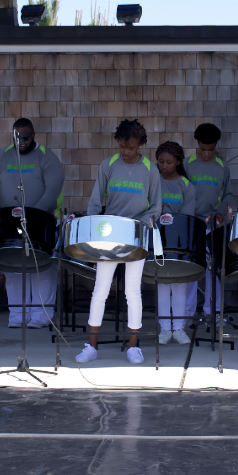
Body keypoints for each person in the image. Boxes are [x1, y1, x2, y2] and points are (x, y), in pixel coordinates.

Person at [75, 119, 161, 365]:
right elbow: (95, 200)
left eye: (131, 147)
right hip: (109, 237)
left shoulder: (150, 170)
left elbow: (155, 207)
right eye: (122, 146)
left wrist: (141, 224)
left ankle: (134, 347)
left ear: (140, 145)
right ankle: (91, 346)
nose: (125, 152)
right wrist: (91, 226)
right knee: (100, 289)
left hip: (136, 236)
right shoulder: (108, 165)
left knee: (132, 291)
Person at [0, 117, 65, 328]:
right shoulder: (2, 156)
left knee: (42, 268)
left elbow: (54, 187)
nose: (21, 142)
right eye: (17, 138)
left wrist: (35, 213)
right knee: (13, 267)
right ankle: (17, 315)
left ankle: (41, 316)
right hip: (9, 220)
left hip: (40, 220)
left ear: (33, 135)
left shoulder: (47, 157)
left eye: (25, 138)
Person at [184, 123, 233, 323]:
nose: (206, 154)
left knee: (212, 269)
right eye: (202, 149)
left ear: (216, 146)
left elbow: (228, 194)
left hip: (214, 225)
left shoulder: (222, 167)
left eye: (210, 150)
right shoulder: (187, 164)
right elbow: (180, 191)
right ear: (197, 145)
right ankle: (187, 313)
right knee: (191, 269)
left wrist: (221, 213)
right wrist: (189, 211)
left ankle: (212, 312)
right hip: (192, 224)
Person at [155, 141, 197, 345]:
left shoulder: (186, 186)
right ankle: (165, 329)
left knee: (180, 283)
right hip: (157, 240)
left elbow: (188, 216)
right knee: (162, 283)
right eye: (161, 161)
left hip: (179, 241)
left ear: (178, 162)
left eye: (169, 162)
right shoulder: (152, 180)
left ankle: (179, 329)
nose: (164, 166)